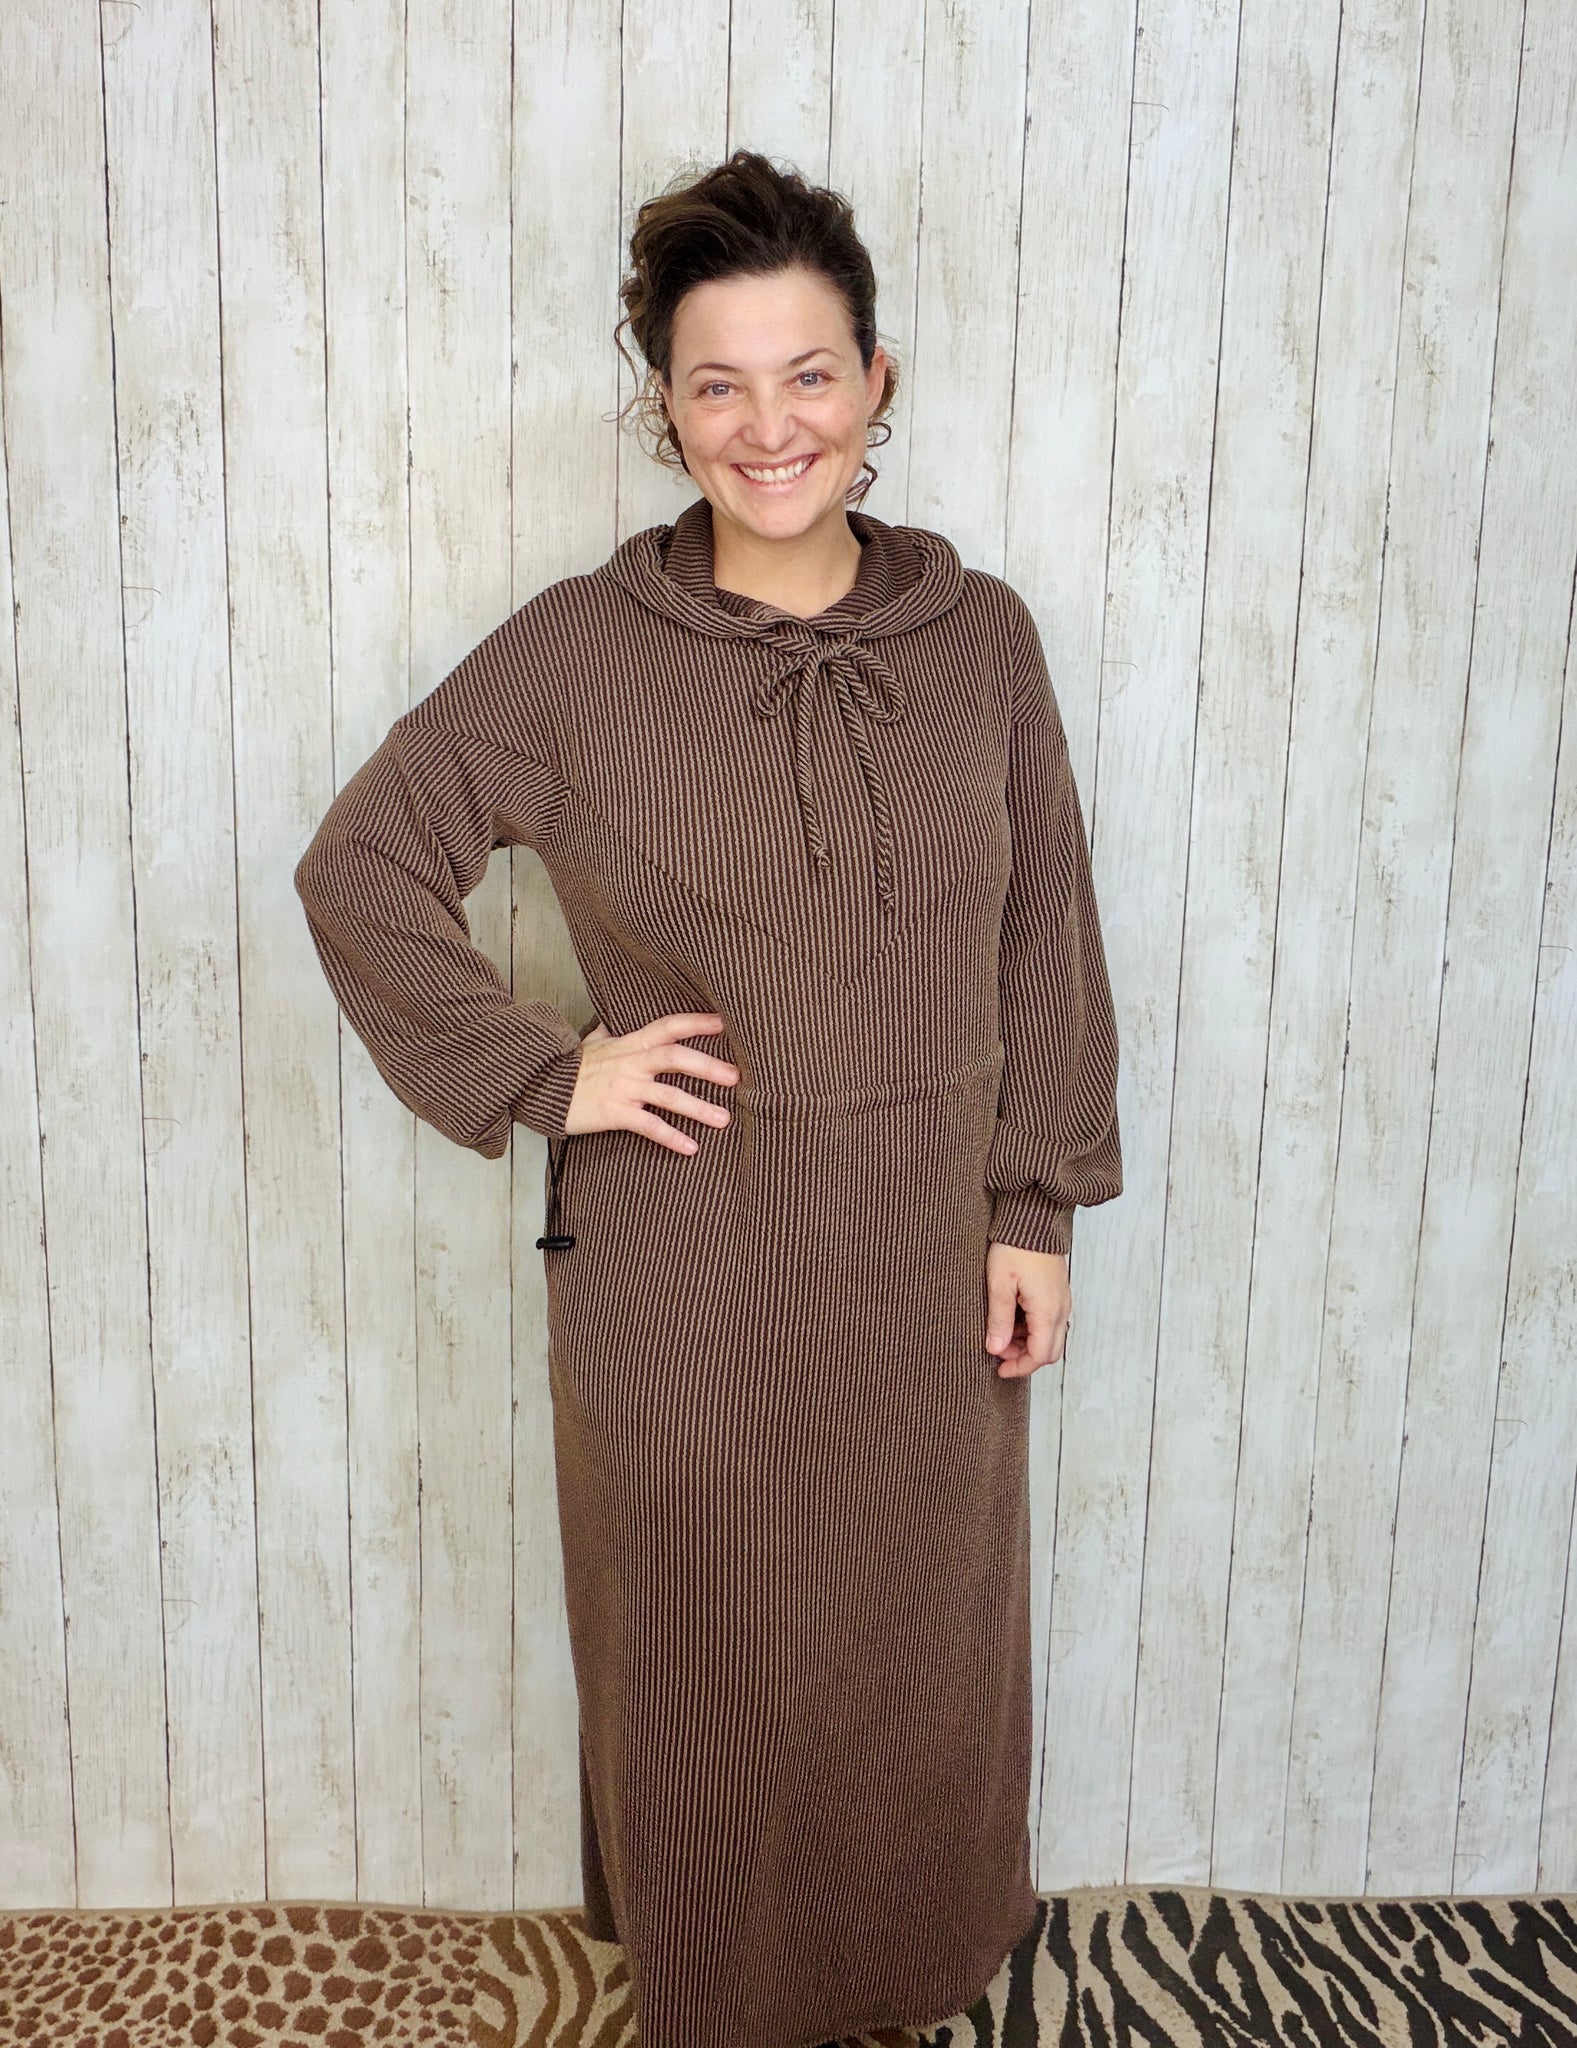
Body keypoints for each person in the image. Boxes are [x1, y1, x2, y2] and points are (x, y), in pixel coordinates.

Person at [294, 148, 1123, 2048]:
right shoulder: (579, 650)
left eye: (808, 374)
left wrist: (1034, 1206)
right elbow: (362, 868)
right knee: (704, 1660)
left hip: (920, 1261)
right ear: (663, 406)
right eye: (718, 383)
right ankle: (717, 1999)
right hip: (683, 1270)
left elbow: (1046, 926)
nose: (770, 425)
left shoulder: (980, 637)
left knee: (909, 1647)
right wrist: (548, 1068)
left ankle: (896, 1971)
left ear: (877, 382)